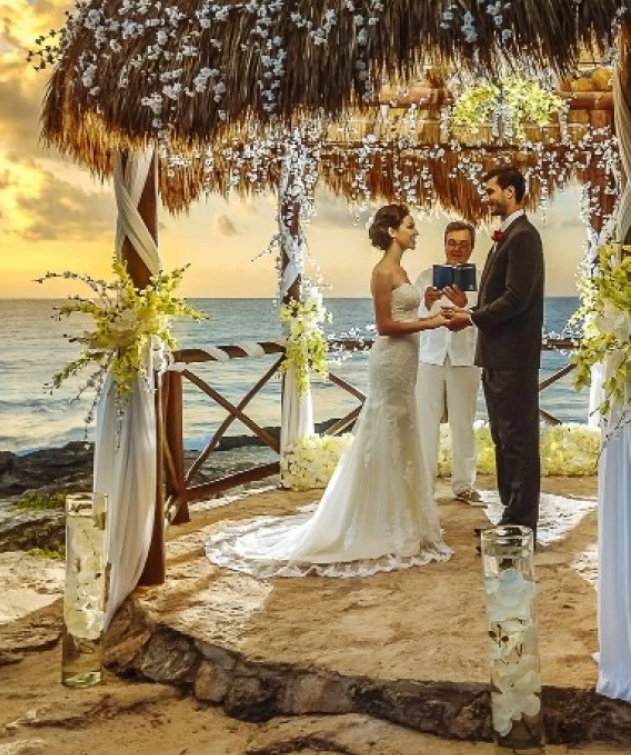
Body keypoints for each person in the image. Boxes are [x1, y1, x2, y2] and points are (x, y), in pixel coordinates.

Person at [204, 204, 453, 578]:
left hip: (407, 364)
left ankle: (401, 518)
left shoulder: (402, 271)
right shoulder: (382, 271)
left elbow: (406, 316)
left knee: (403, 434)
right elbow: (386, 326)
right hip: (389, 362)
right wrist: (431, 322)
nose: (416, 232)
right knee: (383, 433)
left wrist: (428, 306)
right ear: (391, 232)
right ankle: (376, 522)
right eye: (410, 226)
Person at [443, 166, 544, 531]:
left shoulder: (524, 237)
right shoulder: (507, 236)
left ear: (511, 194)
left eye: (491, 191)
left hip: (514, 358)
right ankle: (510, 516)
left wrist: (470, 317)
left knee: (517, 439)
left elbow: (516, 299)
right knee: (503, 438)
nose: (486, 198)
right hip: (498, 357)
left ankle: (521, 523)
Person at [414, 221, 481, 506]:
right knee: (425, 423)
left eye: (463, 244)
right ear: (444, 244)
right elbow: (414, 319)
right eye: (452, 243)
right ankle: (423, 485)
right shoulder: (426, 277)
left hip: (465, 359)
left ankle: (464, 485)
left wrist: (467, 304)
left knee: (463, 424)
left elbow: (485, 320)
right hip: (430, 358)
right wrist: (427, 303)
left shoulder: (481, 281)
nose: (456, 249)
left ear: (471, 248)